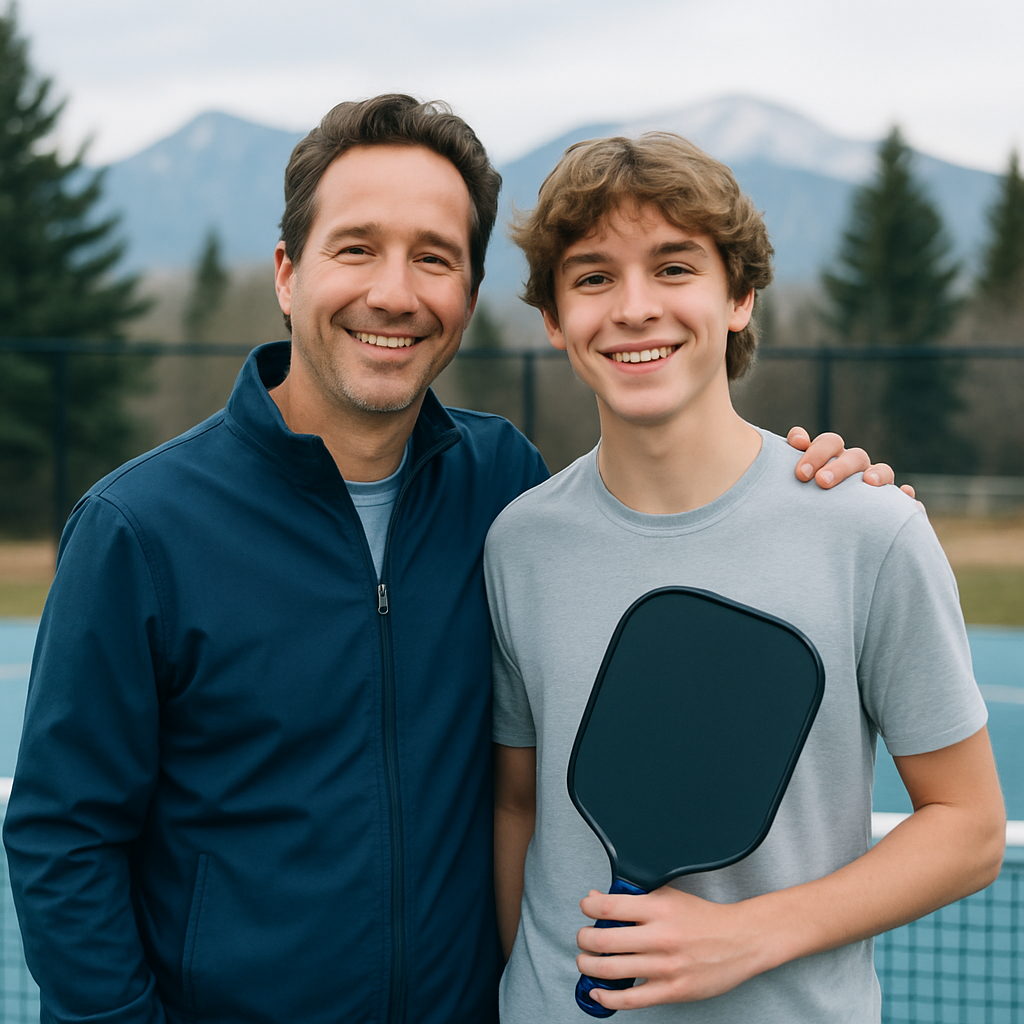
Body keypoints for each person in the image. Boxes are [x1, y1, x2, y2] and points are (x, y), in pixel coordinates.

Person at [4, 96, 894, 1024]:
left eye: (433, 257)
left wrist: (830, 495)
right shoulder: (137, 529)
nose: (395, 292)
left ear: (467, 297)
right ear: (286, 272)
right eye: (355, 248)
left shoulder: (505, 487)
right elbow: (64, 843)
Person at [486, 132, 1006, 1023]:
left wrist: (755, 932)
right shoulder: (518, 542)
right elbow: (519, 804)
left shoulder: (868, 529)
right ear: (553, 319)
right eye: (593, 277)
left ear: (740, 296)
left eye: (675, 268)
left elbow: (969, 827)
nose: (634, 307)